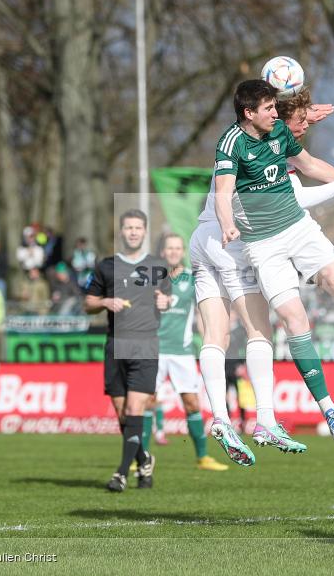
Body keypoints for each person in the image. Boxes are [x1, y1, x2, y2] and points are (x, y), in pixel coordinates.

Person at [212, 79, 334, 454]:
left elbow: (309, 164)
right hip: (263, 246)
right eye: (267, 108)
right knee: (296, 320)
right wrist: (227, 223)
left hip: (299, 228)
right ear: (249, 114)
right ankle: (329, 409)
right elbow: (222, 192)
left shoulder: (278, 129)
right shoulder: (230, 143)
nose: (274, 113)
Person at [84, 210, 171, 492]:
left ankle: (121, 473)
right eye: (128, 227)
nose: (133, 232)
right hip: (115, 344)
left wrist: (164, 303)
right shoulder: (105, 266)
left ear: (145, 232)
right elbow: (88, 302)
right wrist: (105, 302)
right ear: (121, 232)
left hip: (146, 343)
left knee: (135, 409)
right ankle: (144, 459)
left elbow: (167, 299)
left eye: (138, 228)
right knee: (123, 413)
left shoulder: (158, 266)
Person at [149, 234, 227, 471]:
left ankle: (203, 457)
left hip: (182, 352)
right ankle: (140, 458)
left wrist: (211, 342)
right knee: (146, 403)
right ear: (162, 252)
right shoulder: (152, 279)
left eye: (177, 248)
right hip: (154, 350)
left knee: (192, 403)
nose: (173, 252)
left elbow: (203, 313)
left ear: (182, 251)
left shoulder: (192, 279)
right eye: (169, 248)